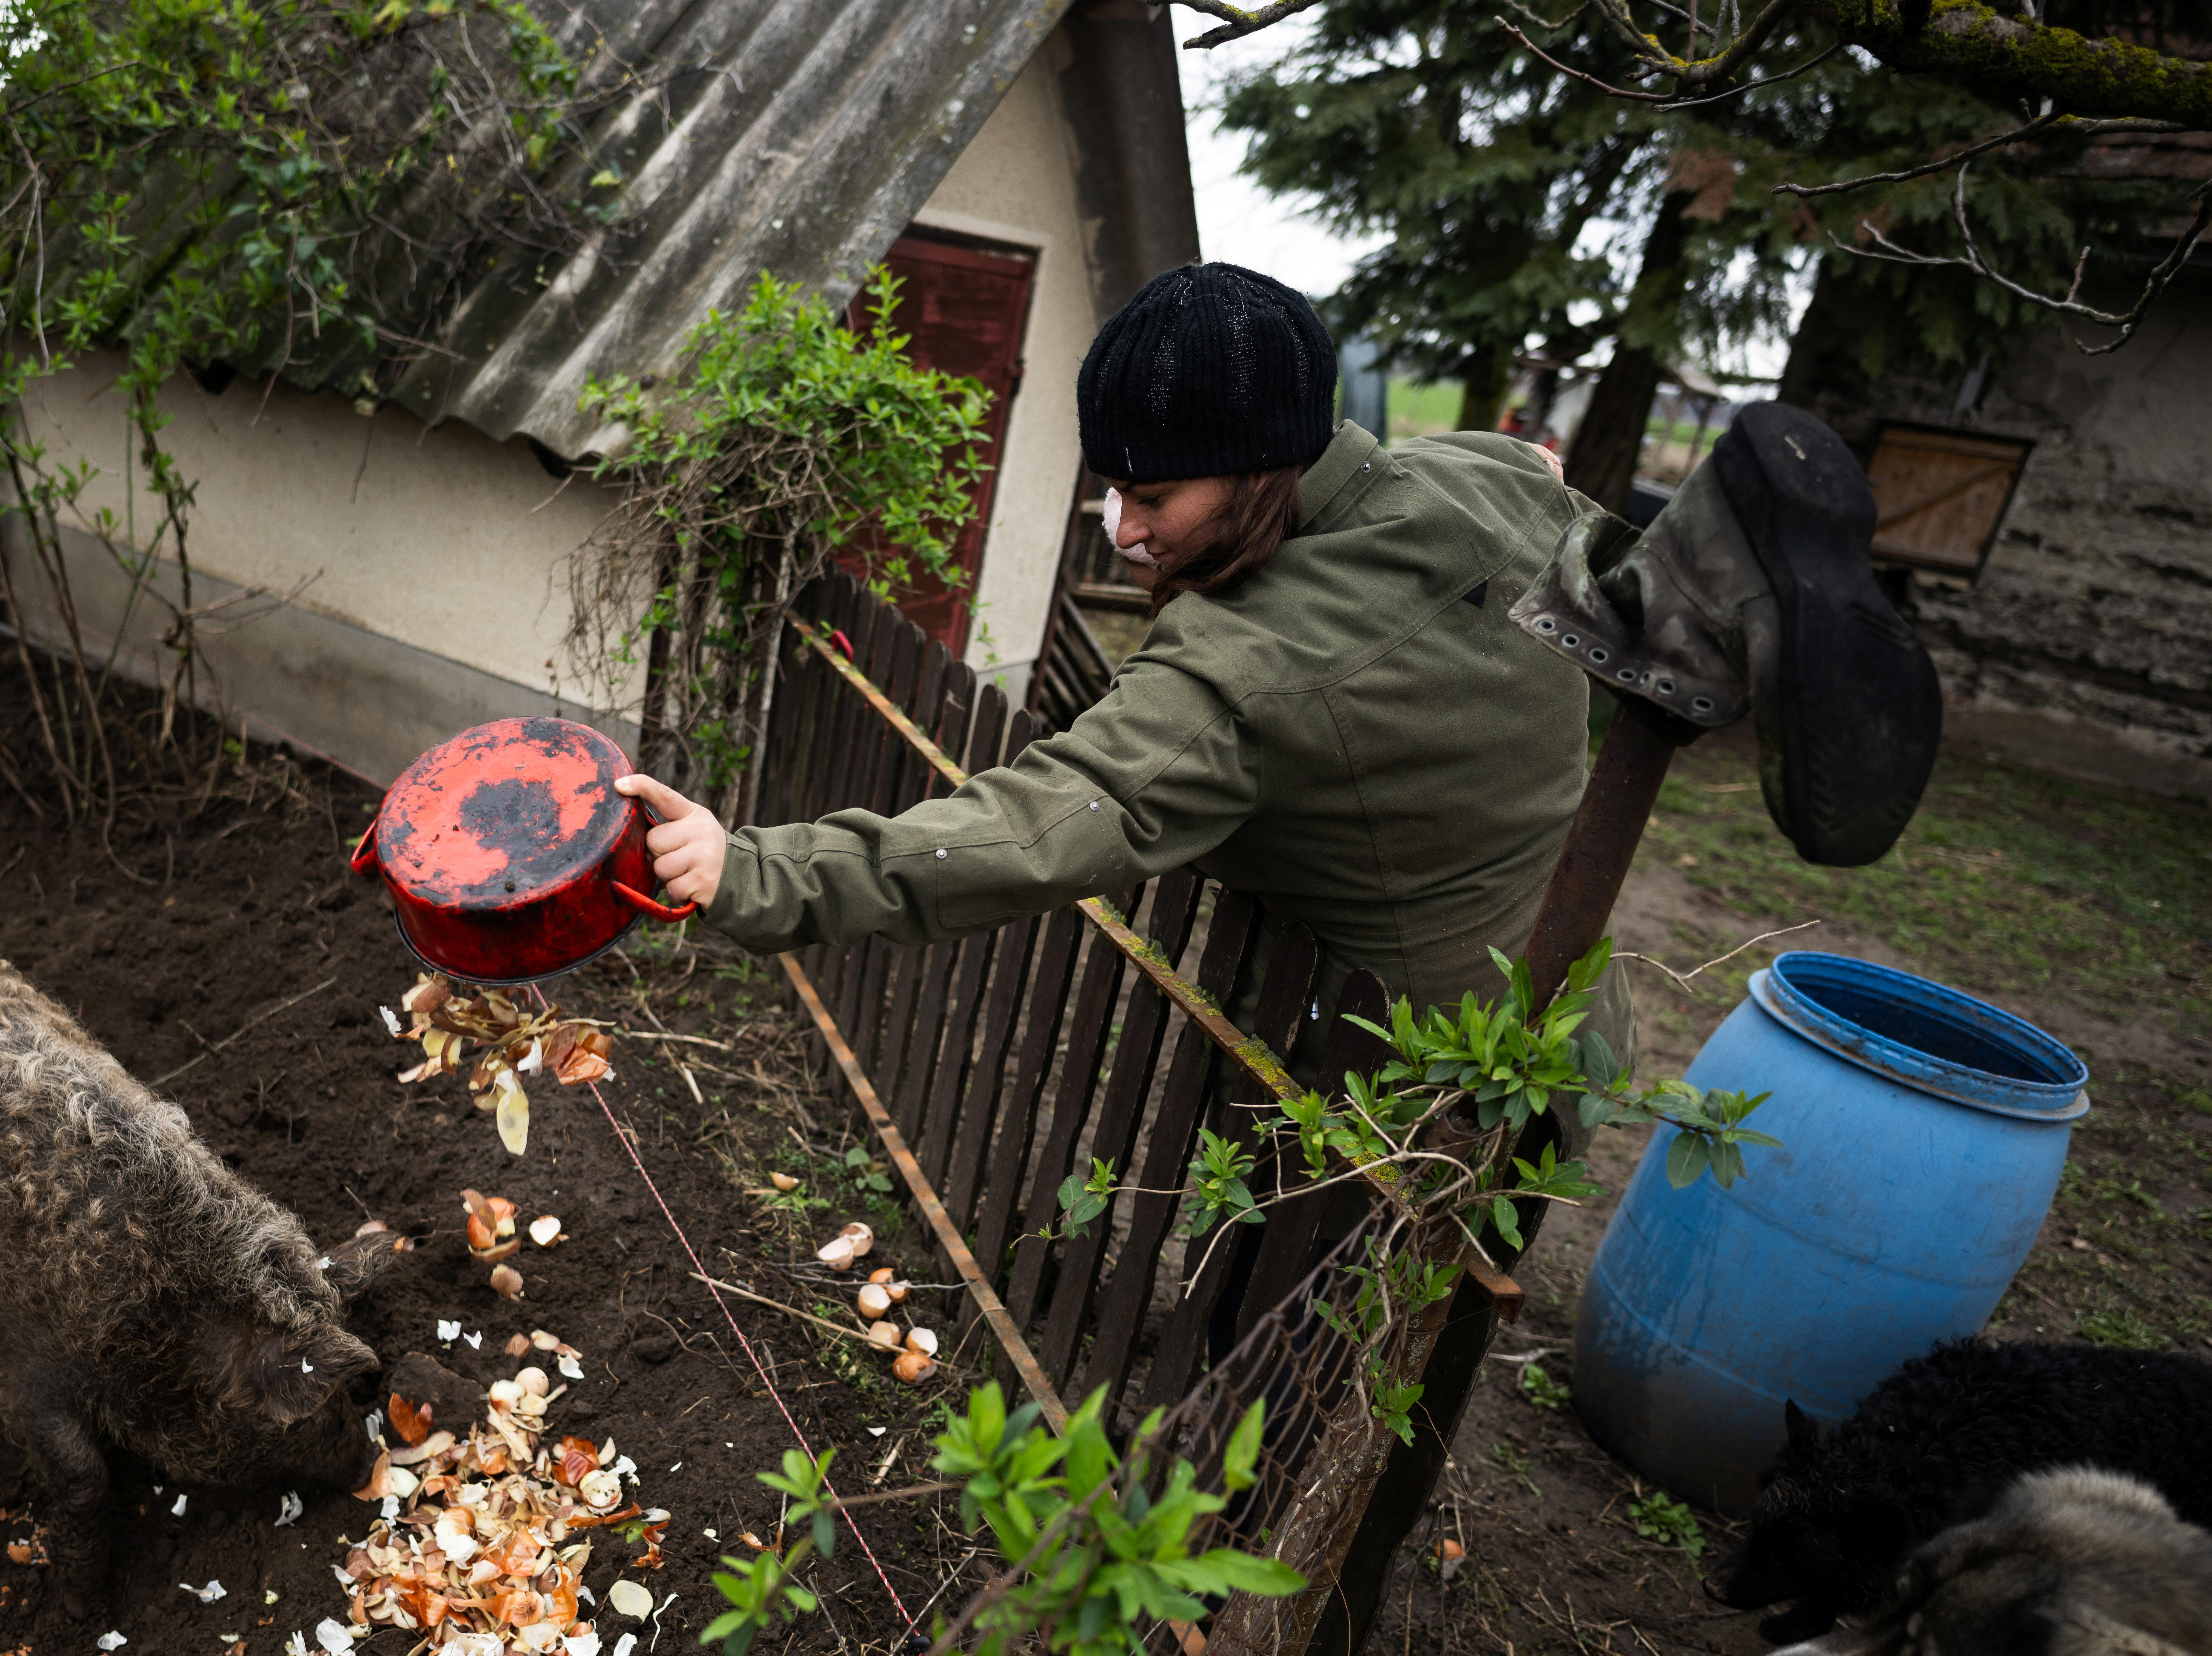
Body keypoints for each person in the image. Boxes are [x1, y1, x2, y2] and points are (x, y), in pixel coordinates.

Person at [612, 261, 1934, 1062]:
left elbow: (1033, 829)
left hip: (1398, 1083)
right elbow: (1583, 557)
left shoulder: (1245, 670)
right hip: (1571, 1020)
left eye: (1151, 497)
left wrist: (758, 870)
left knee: (1303, 1374)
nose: (1122, 532)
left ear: (1262, 467)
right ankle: (1722, 591)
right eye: (1109, 490)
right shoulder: (1476, 476)